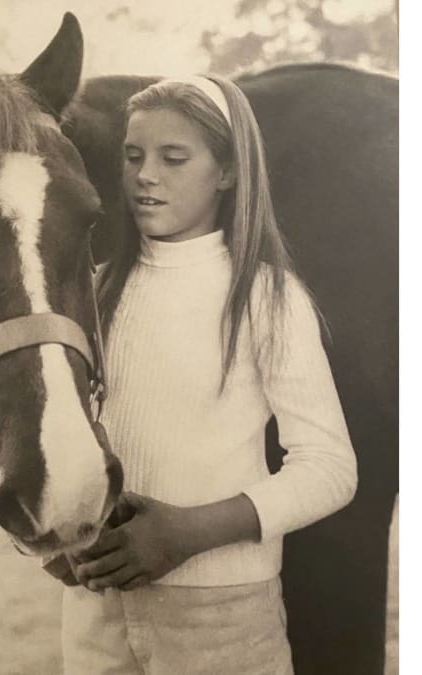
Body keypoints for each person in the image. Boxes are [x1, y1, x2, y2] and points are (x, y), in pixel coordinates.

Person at [45, 74, 359, 674]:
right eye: (133, 156)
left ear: (227, 172)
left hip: (223, 616)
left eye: (173, 158)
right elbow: (55, 435)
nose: (145, 175)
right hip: (96, 610)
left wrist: (186, 534)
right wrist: (52, 541)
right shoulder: (92, 291)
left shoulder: (265, 297)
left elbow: (330, 468)